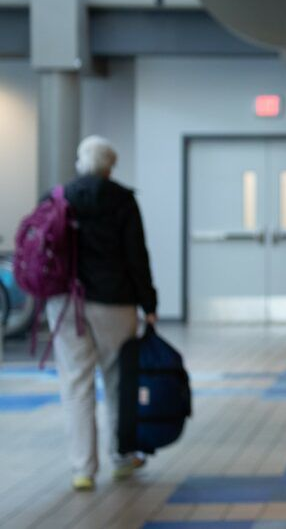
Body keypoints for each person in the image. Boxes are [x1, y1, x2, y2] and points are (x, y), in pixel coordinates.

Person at [48, 135, 157, 490]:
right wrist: (149, 304)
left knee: (76, 383)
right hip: (115, 302)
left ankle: (83, 469)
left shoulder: (57, 197)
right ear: (111, 166)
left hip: (65, 303)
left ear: (80, 162)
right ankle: (121, 456)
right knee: (117, 380)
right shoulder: (122, 200)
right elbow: (136, 256)